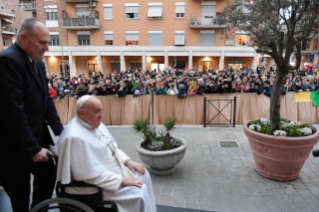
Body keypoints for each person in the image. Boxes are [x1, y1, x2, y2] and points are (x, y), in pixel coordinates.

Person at [0, 17, 64, 212]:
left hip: (37, 138)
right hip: (13, 147)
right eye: (42, 42)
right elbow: (13, 111)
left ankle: (39, 209)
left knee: (49, 173)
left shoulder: (39, 63)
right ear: (24, 38)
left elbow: (46, 101)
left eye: (48, 42)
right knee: (20, 196)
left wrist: (63, 133)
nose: (47, 48)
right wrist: (33, 149)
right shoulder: (8, 60)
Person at [54, 96, 157, 212]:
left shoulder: (93, 123)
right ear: (82, 113)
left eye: (101, 110)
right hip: (92, 187)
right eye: (97, 111)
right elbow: (88, 175)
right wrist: (120, 180)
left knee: (143, 174)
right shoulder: (75, 137)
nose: (101, 115)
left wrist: (129, 161)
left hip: (107, 173)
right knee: (139, 192)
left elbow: (112, 147)